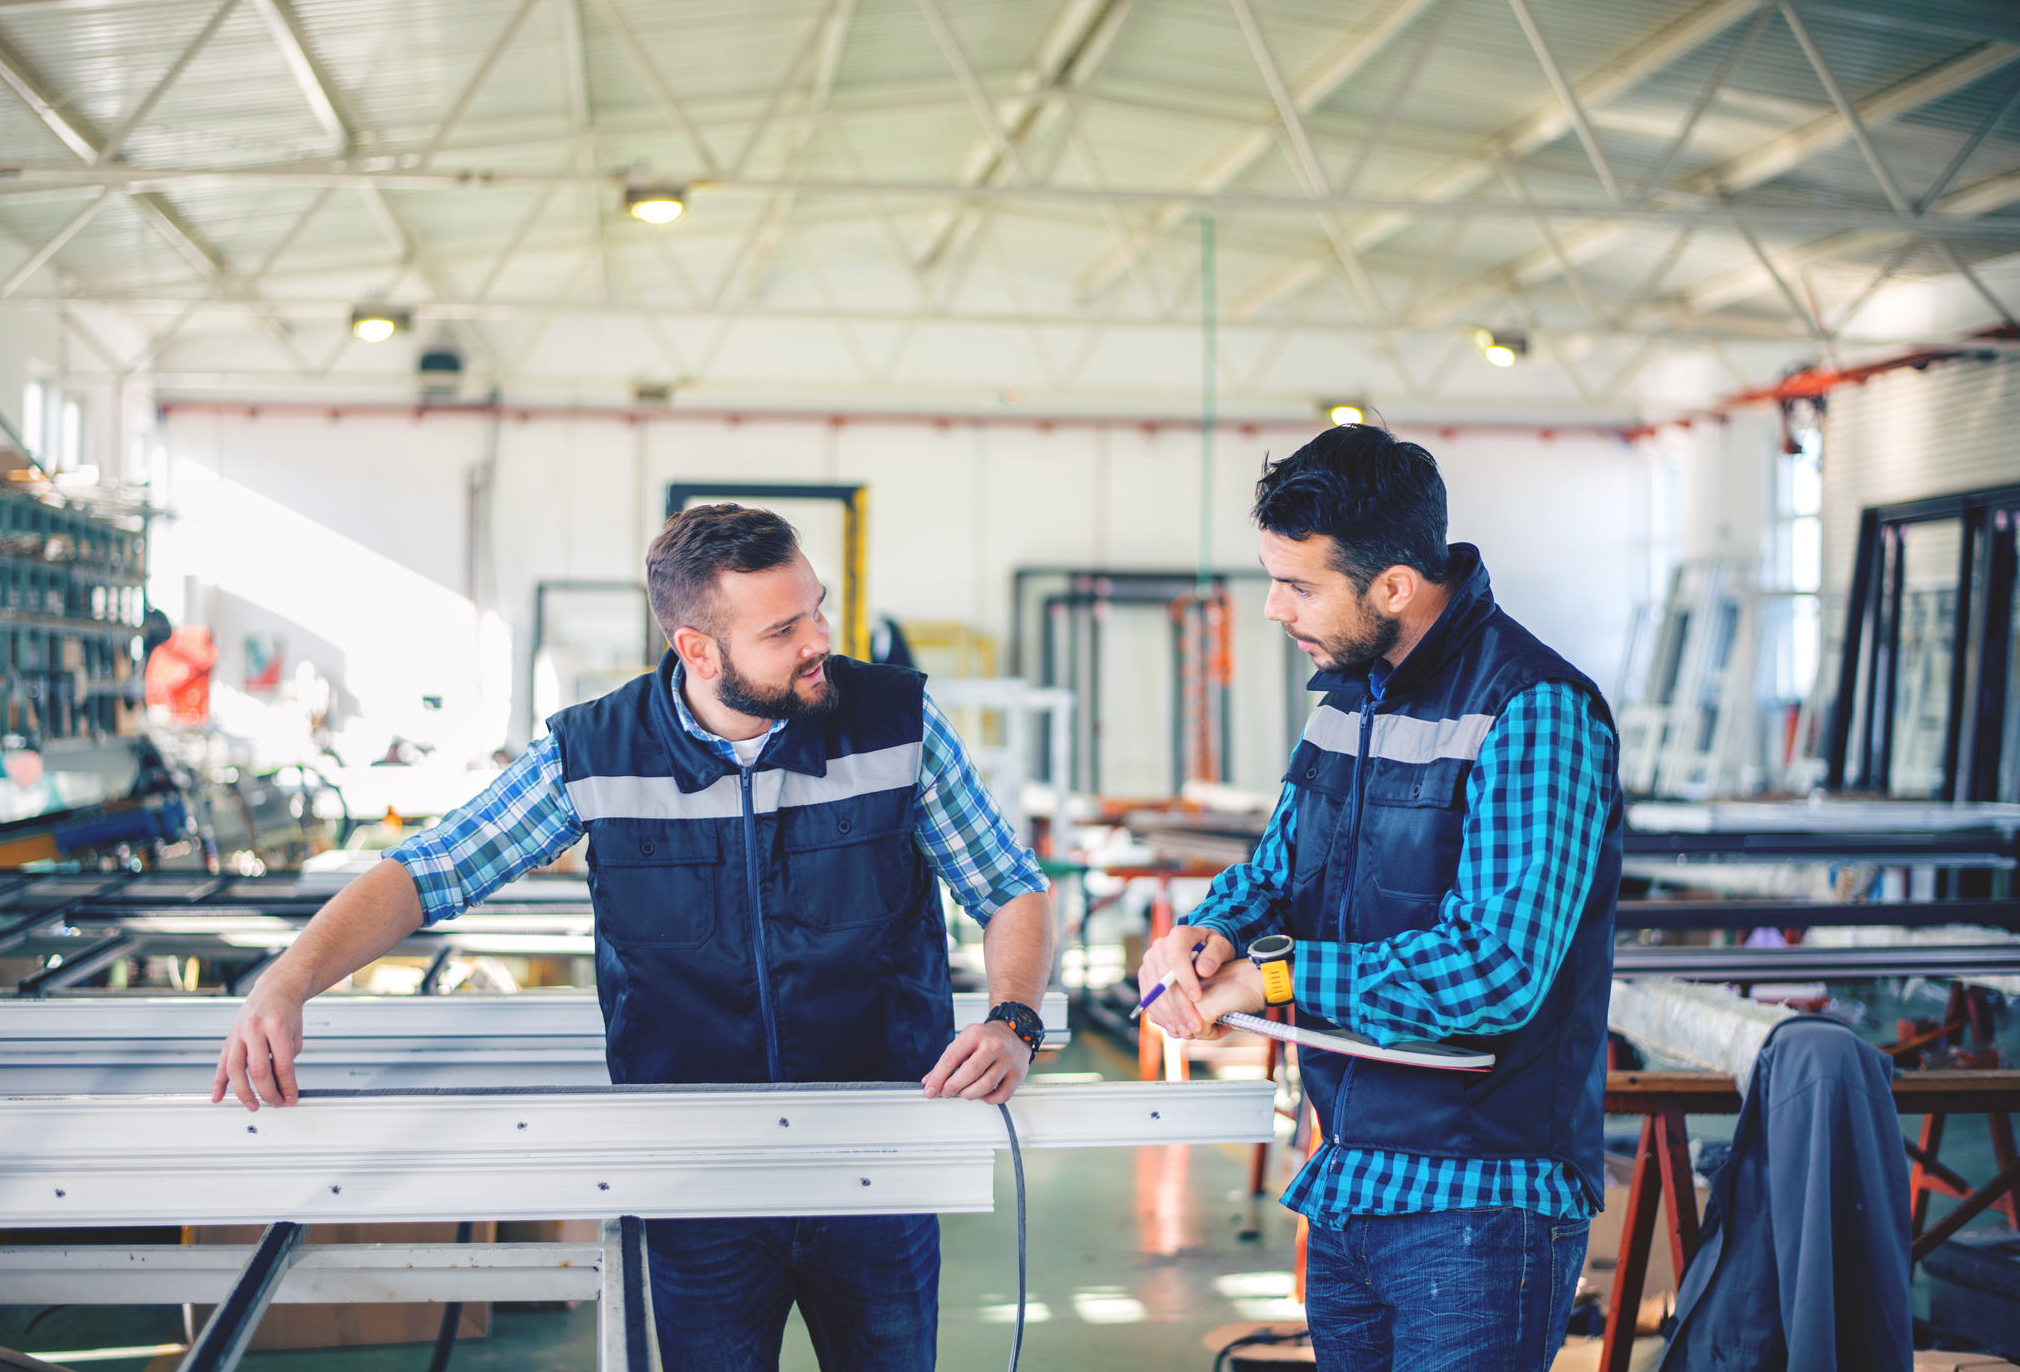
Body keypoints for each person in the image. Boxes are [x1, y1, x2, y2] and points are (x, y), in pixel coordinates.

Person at [214, 504, 1055, 1372]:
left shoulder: (894, 725)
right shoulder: (596, 753)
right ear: (698, 649)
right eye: (782, 629)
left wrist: (1013, 1018)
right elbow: (428, 872)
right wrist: (285, 983)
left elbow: (1007, 884)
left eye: (817, 609)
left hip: (877, 1161)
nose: (819, 641)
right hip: (695, 1180)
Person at [1139, 424, 1622, 1372]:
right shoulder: (1345, 697)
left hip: (1480, 1196)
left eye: (1300, 585)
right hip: (1351, 1176)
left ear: (1392, 586)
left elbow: (1498, 969)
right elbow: (1277, 872)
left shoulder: (1532, 711)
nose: (1274, 609)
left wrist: (1269, 983)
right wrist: (1205, 933)